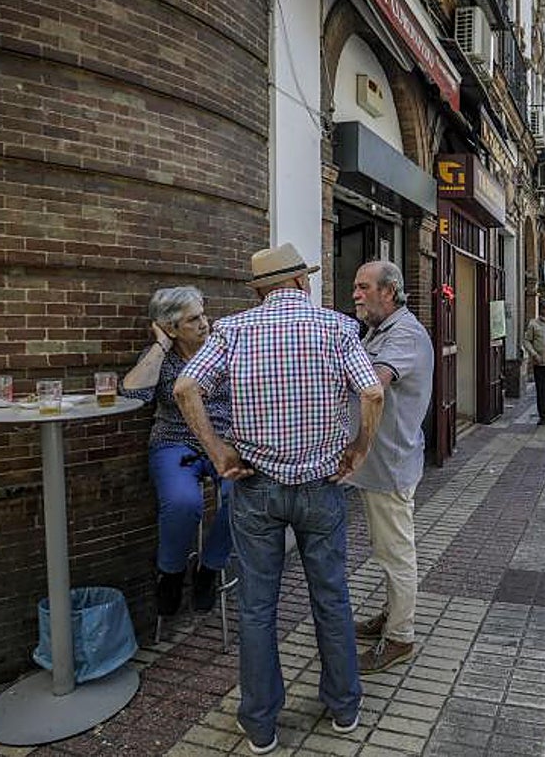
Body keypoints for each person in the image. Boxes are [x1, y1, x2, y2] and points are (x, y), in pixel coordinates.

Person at [174, 243, 384, 753]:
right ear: (301, 283)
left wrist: (219, 452)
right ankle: (344, 707)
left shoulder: (232, 330)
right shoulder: (337, 327)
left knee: (256, 606)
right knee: (331, 598)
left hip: (255, 487)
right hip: (321, 487)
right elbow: (373, 392)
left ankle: (261, 725)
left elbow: (184, 388)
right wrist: (359, 447)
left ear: (261, 290)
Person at [120, 286, 233, 617]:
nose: (204, 323)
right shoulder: (160, 357)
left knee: (246, 495)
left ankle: (209, 569)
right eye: (193, 319)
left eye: (203, 315)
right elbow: (132, 394)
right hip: (175, 442)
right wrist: (160, 345)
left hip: (223, 441)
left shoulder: (223, 351)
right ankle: (170, 574)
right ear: (170, 328)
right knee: (183, 503)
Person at [349, 261, 433, 675]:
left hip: (389, 464)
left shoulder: (404, 334)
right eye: (355, 287)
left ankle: (400, 636)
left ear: (389, 291)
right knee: (386, 550)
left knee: (396, 552)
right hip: (378, 465)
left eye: (364, 287)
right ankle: (391, 614)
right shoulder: (378, 330)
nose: (355, 294)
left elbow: (373, 384)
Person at [523, 299, 545, 425]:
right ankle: (544, 416)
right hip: (540, 362)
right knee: (541, 390)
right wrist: (534, 354)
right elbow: (526, 341)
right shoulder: (533, 324)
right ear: (542, 310)